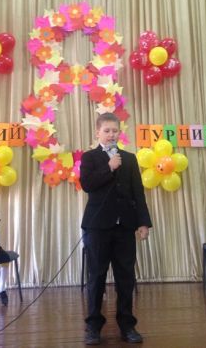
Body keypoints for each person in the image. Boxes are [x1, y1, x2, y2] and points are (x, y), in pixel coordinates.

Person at [79, 112, 152, 345]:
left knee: (126, 278)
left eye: (115, 130)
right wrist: (109, 168)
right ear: (97, 133)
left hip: (125, 227)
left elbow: (137, 192)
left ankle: (127, 326)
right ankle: (93, 327)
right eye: (107, 131)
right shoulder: (89, 157)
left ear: (119, 132)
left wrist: (143, 222)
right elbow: (87, 185)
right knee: (96, 277)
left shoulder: (129, 158)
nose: (111, 135)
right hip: (97, 227)